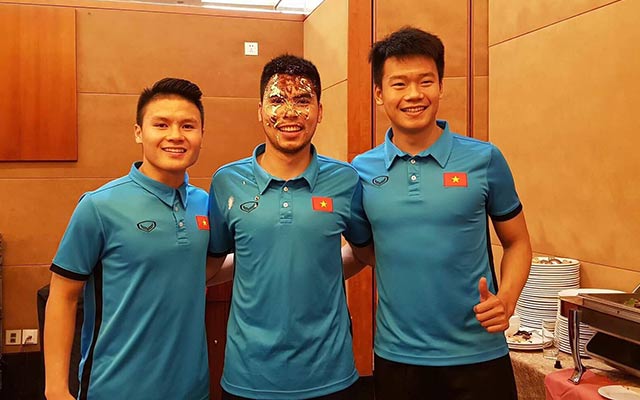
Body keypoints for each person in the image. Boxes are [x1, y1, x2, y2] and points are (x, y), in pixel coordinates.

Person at [344, 27, 532, 399]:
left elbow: (518, 242)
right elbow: (366, 250)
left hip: (479, 354)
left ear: (441, 86)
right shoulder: (360, 171)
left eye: (425, 81)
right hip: (398, 357)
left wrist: (507, 298)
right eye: (399, 84)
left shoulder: (484, 158)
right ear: (379, 93)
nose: (414, 94)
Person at [207, 54, 372, 400]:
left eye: (302, 100)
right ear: (260, 110)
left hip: (331, 374)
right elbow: (211, 264)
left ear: (320, 111)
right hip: (248, 376)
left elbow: (365, 252)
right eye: (277, 100)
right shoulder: (227, 182)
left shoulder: (346, 180)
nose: (289, 113)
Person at [44, 78, 213, 400]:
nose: (175, 135)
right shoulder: (99, 206)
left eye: (188, 126)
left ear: (202, 134)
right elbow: (63, 295)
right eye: (161, 124)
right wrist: (55, 390)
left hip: (191, 388)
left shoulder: (205, 204)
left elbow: (201, 268)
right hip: (115, 387)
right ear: (138, 132)